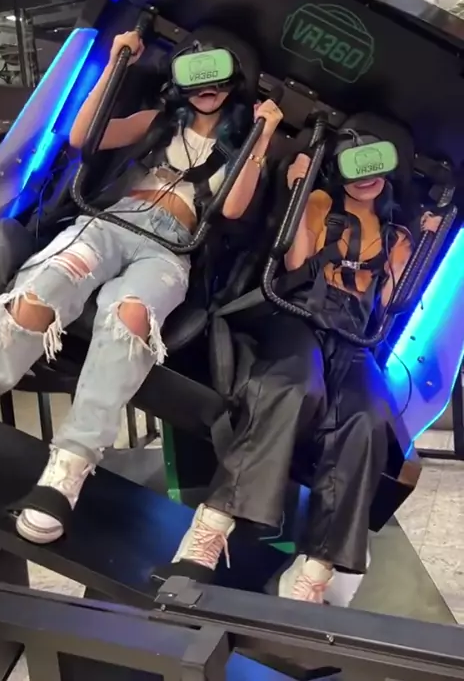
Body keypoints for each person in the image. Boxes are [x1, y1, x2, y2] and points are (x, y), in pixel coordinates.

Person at [0, 28, 283, 545]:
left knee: (131, 317)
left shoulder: (240, 145)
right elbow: (84, 136)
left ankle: (69, 466)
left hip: (170, 248)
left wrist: (262, 136)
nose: (206, 89)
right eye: (195, 77)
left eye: (216, 77)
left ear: (234, 81)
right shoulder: (160, 121)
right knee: (46, 287)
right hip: (111, 223)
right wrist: (115, 62)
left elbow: (233, 208)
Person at [159, 135, 442, 603]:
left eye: (375, 166)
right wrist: (299, 190)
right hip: (299, 314)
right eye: (357, 166)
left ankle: (315, 566)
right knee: (293, 384)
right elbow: (295, 261)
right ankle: (213, 524)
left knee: (367, 419)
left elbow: (388, 303)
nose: (367, 177)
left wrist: (422, 246)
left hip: (351, 335)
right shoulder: (318, 202)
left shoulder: (397, 235)